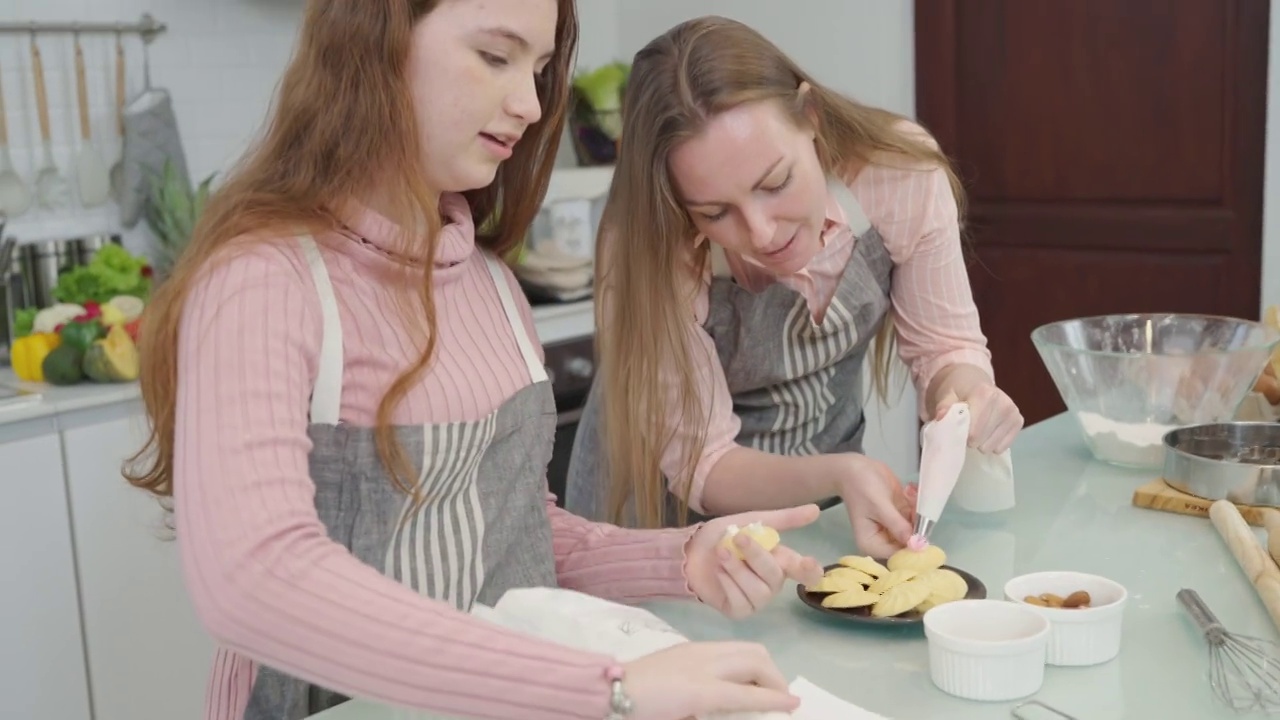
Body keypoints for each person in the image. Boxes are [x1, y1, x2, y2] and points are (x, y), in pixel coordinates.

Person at [123, 3, 826, 720]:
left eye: (542, 69)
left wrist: (683, 558)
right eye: (496, 57)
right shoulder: (263, 278)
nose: (528, 104)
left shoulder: (490, 284)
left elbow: (518, 531)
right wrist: (608, 689)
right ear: (377, 41)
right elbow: (255, 581)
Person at [563, 16, 1025, 557]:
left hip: (824, 506)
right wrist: (840, 473)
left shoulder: (897, 174)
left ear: (810, 116)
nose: (760, 233)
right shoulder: (645, 246)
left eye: (775, 182)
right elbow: (705, 466)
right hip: (663, 530)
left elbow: (946, 348)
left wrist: (962, 395)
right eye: (715, 212)